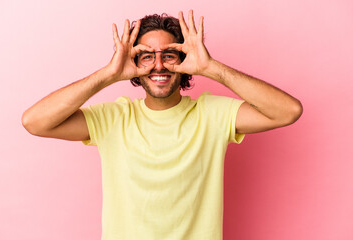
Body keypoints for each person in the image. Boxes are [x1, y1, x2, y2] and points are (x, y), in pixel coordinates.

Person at [22, 10, 302, 240]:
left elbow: (288, 111)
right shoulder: (113, 118)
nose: (159, 65)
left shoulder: (211, 114)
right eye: (147, 56)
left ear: (184, 60)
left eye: (168, 55)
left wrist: (211, 68)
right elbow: (35, 122)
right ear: (134, 64)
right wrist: (108, 74)